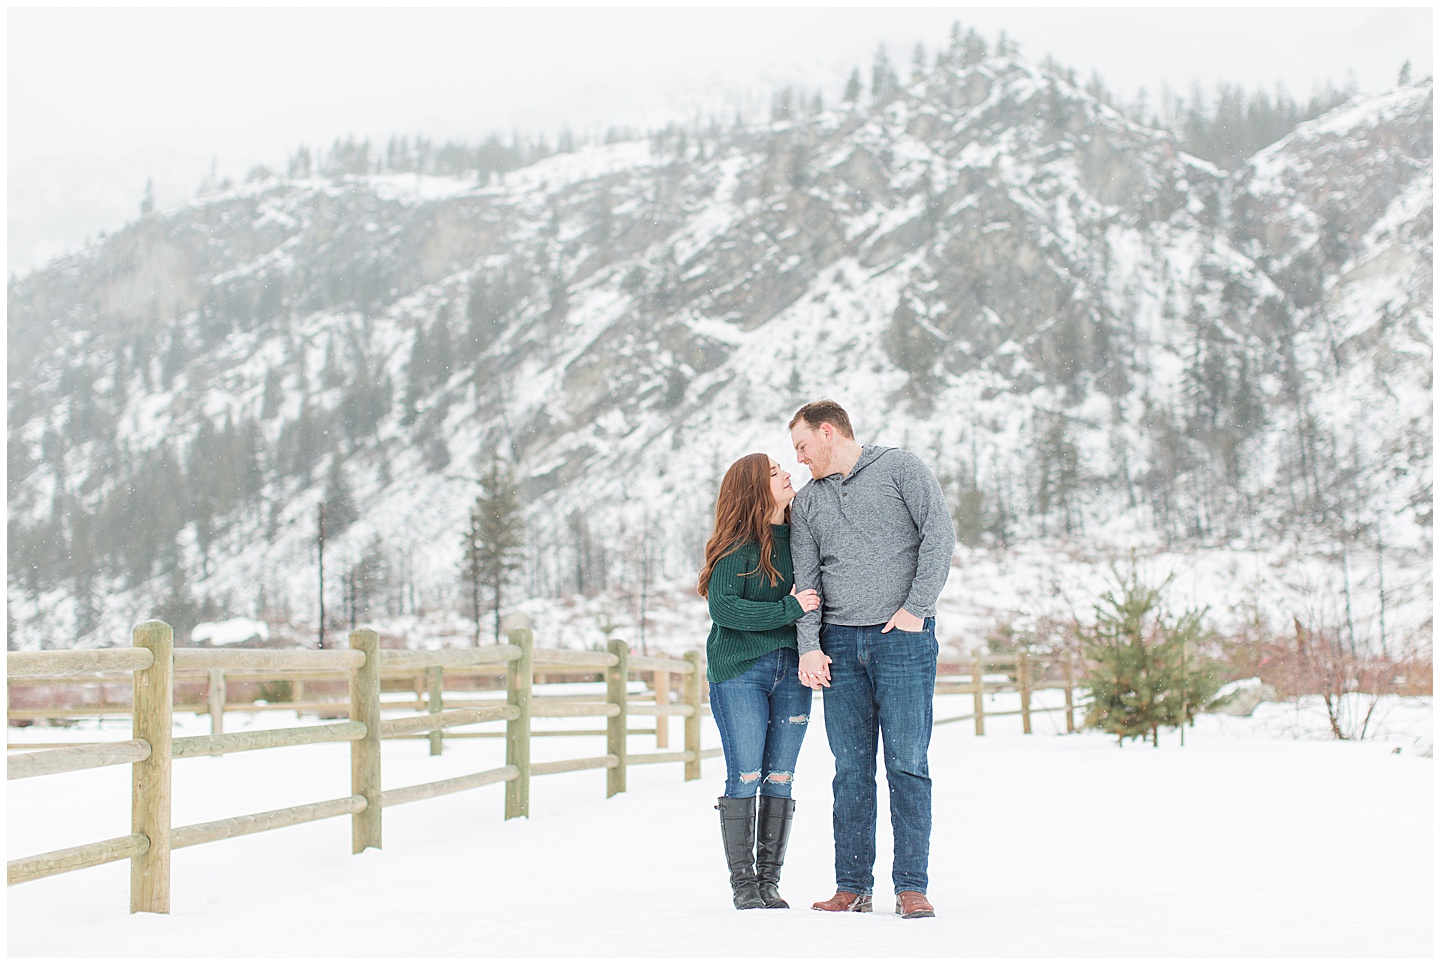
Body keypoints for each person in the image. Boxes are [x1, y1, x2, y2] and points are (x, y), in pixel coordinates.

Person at [787, 399, 956, 920]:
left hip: (902, 640)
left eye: (803, 447)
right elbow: (806, 580)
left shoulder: (901, 469)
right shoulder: (810, 502)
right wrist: (810, 644)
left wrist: (915, 609)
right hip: (839, 645)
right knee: (851, 771)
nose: (799, 460)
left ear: (829, 431)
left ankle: (911, 886)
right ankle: (853, 886)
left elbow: (939, 537)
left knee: (907, 763)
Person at [699, 452, 822, 910]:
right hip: (739, 673)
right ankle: (743, 885)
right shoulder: (737, 545)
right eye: (774, 472)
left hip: (792, 671)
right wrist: (787, 609)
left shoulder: (800, 539)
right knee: (746, 774)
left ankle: (770, 883)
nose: (788, 473)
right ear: (754, 488)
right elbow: (725, 609)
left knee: (781, 776)